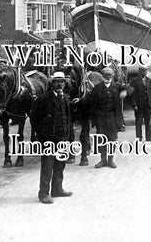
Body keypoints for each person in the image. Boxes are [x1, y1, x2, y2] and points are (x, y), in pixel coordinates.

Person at [31, 72, 73, 204]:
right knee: (47, 167)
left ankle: (57, 189)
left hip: (62, 138)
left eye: (62, 82)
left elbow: (69, 119)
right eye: (57, 81)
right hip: (48, 139)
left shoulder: (65, 98)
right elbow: (34, 119)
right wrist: (41, 135)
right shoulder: (43, 99)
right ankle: (43, 194)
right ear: (52, 83)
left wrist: (69, 137)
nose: (60, 84)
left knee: (60, 165)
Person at [75, 67, 127, 168]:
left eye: (110, 76)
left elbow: (129, 89)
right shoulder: (97, 88)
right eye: (106, 76)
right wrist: (80, 100)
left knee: (112, 139)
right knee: (101, 140)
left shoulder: (117, 86)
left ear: (112, 77)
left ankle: (111, 160)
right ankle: (103, 160)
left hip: (113, 118)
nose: (108, 78)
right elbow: (89, 97)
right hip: (101, 119)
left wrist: (125, 92)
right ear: (102, 77)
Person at [129, 66, 151, 143]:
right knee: (138, 122)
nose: (144, 72)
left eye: (145, 71)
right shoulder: (134, 81)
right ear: (139, 71)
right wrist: (134, 105)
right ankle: (139, 138)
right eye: (143, 71)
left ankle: (149, 138)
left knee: (149, 123)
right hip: (139, 106)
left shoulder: (149, 80)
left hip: (148, 105)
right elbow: (132, 94)